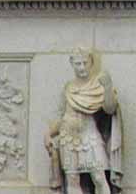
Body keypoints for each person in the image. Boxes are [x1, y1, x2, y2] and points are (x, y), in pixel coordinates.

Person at [45, 48, 123, 194]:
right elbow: (63, 117)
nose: (82, 67)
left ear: (91, 62)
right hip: (68, 138)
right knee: (72, 179)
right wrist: (48, 134)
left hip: (90, 136)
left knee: (99, 177)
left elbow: (110, 109)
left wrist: (107, 88)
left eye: (85, 63)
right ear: (72, 64)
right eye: (78, 63)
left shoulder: (97, 85)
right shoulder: (68, 88)